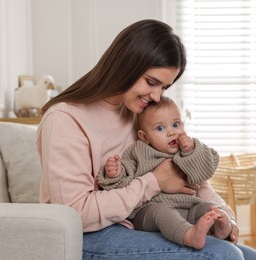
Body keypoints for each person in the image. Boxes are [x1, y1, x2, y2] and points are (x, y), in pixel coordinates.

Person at [37, 19, 256, 260]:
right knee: (224, 256)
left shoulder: (139, 112)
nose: (156, 96)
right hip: (87, 236)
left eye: (164, 87)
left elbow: (186, 175)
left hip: (141, 223)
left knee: (251, 258)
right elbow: (75, 214)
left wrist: (225, 215)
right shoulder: (65, 119)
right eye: (151, 82)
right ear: (125, 65)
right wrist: (154, 181)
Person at [98, 96, 230, 250]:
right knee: (161, 212)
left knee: (208, 208)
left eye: (176, 124)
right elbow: (126, 179)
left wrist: (191, 150)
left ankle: (220, 228)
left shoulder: (187, 149)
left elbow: (206, 170)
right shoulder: (139, 151)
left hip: (188, 208)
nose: (171, 133)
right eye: (160, 128)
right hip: (149, 212)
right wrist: (115, 173)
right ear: (145, 137)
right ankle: (188, 236)